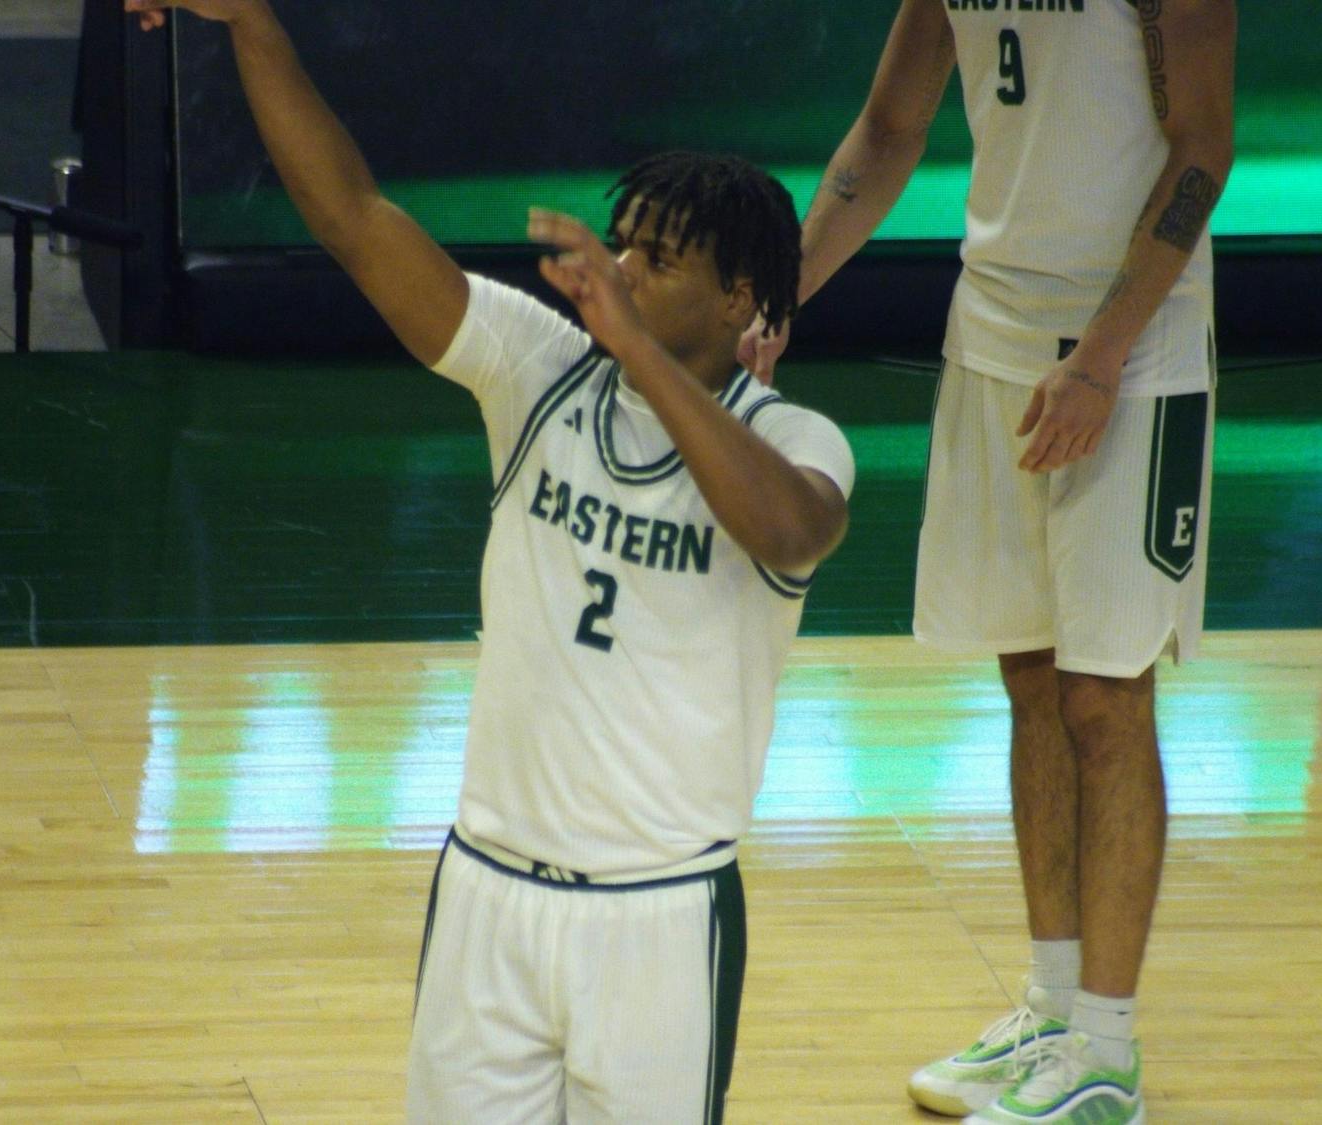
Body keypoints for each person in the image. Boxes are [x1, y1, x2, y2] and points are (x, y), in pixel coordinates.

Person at [127, 3, 855, 1120]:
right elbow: (355, 218)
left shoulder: (798, 442)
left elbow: (790, 533)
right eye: (622, 248)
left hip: (659, 915)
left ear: (741, 298)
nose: (622, 272)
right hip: (489, 895)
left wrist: (636, 348)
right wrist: (251, 24)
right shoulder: (539, 371)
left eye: (659, 262)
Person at [740, 1, 1234, 1122]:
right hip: (995, 330)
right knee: (1029, 677)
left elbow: (1204, 142)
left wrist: (1103, 360)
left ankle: (1106, 1051)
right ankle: (1053, 1009)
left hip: (1132, 350)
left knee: (1106, 695)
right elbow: (887, 131)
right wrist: (780, 300)